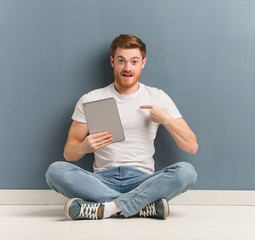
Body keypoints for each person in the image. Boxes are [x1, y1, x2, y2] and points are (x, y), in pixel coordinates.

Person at [45, 34, 198, 220]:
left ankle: (108, 208)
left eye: (134, 61)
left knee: (187, 172)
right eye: (121, 61)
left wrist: (167, 120)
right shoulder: (91, 99)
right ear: (112, 62)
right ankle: (141, 207)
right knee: (55, 171)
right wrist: (85, 146)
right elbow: (69, 153)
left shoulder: (158, 97)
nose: (127, 68)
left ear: (143, 63)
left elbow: (191, 146)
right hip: (102, 180)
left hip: (143, 180)